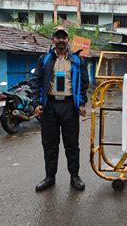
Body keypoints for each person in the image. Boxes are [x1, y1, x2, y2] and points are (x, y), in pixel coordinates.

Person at [31, 26, 89, 192]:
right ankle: (49, 177)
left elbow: (84, 83)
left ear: (68, 40)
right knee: (49, 144)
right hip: (49, 106)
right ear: (53, 40)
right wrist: (37, 103)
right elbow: (36, 81)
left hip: (70, 107)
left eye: (64, 37)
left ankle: (74, 177)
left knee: (71, 144)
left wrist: (82, 102)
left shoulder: (78, 61)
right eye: (58, 37)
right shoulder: (44, 59)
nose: (61, 40)